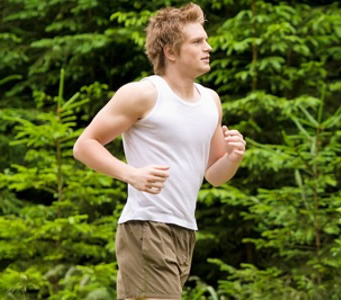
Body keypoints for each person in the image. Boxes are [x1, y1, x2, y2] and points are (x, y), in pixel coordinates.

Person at [72, 3, 245, 299]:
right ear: (171, 52)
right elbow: (84, 145)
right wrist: (131, 174)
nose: (209, 47)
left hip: (184, 231)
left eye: (206, 39)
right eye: (197, 41)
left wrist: (233, 157)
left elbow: (215, 175)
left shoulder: (211, 101)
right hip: (146, 227)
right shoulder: (143, 94)